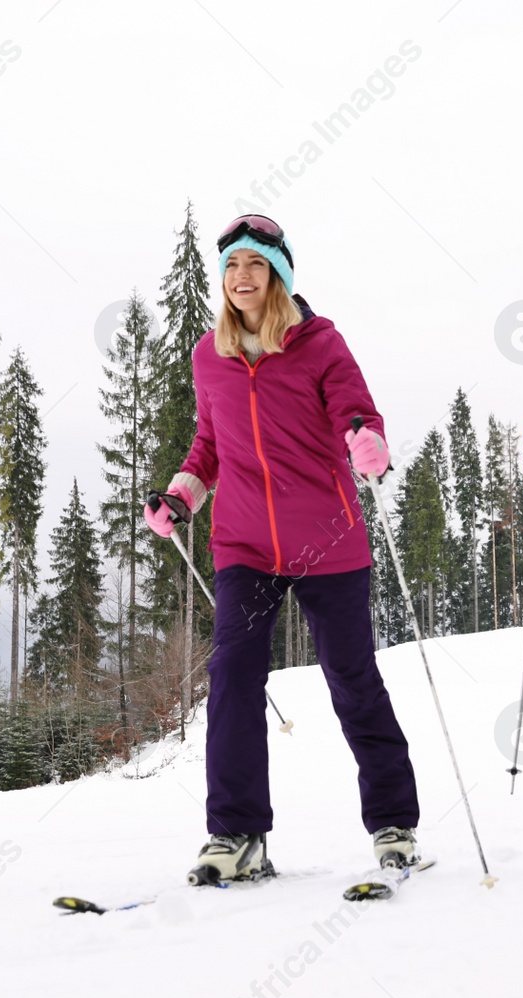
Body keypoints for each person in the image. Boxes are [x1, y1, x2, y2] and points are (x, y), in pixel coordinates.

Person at [143, 214, 422, 883]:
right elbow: (209, 445)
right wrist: (181, 495)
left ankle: (394, 822)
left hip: (327, 538)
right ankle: (237, 834)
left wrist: (367, 442)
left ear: (279, 277)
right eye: (232, 267)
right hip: (243, 541)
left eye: (256, 267)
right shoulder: (208, 354)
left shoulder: (319, 342)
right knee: (233, 676)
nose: (242, 279)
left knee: (352, 678)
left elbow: (357, 410)